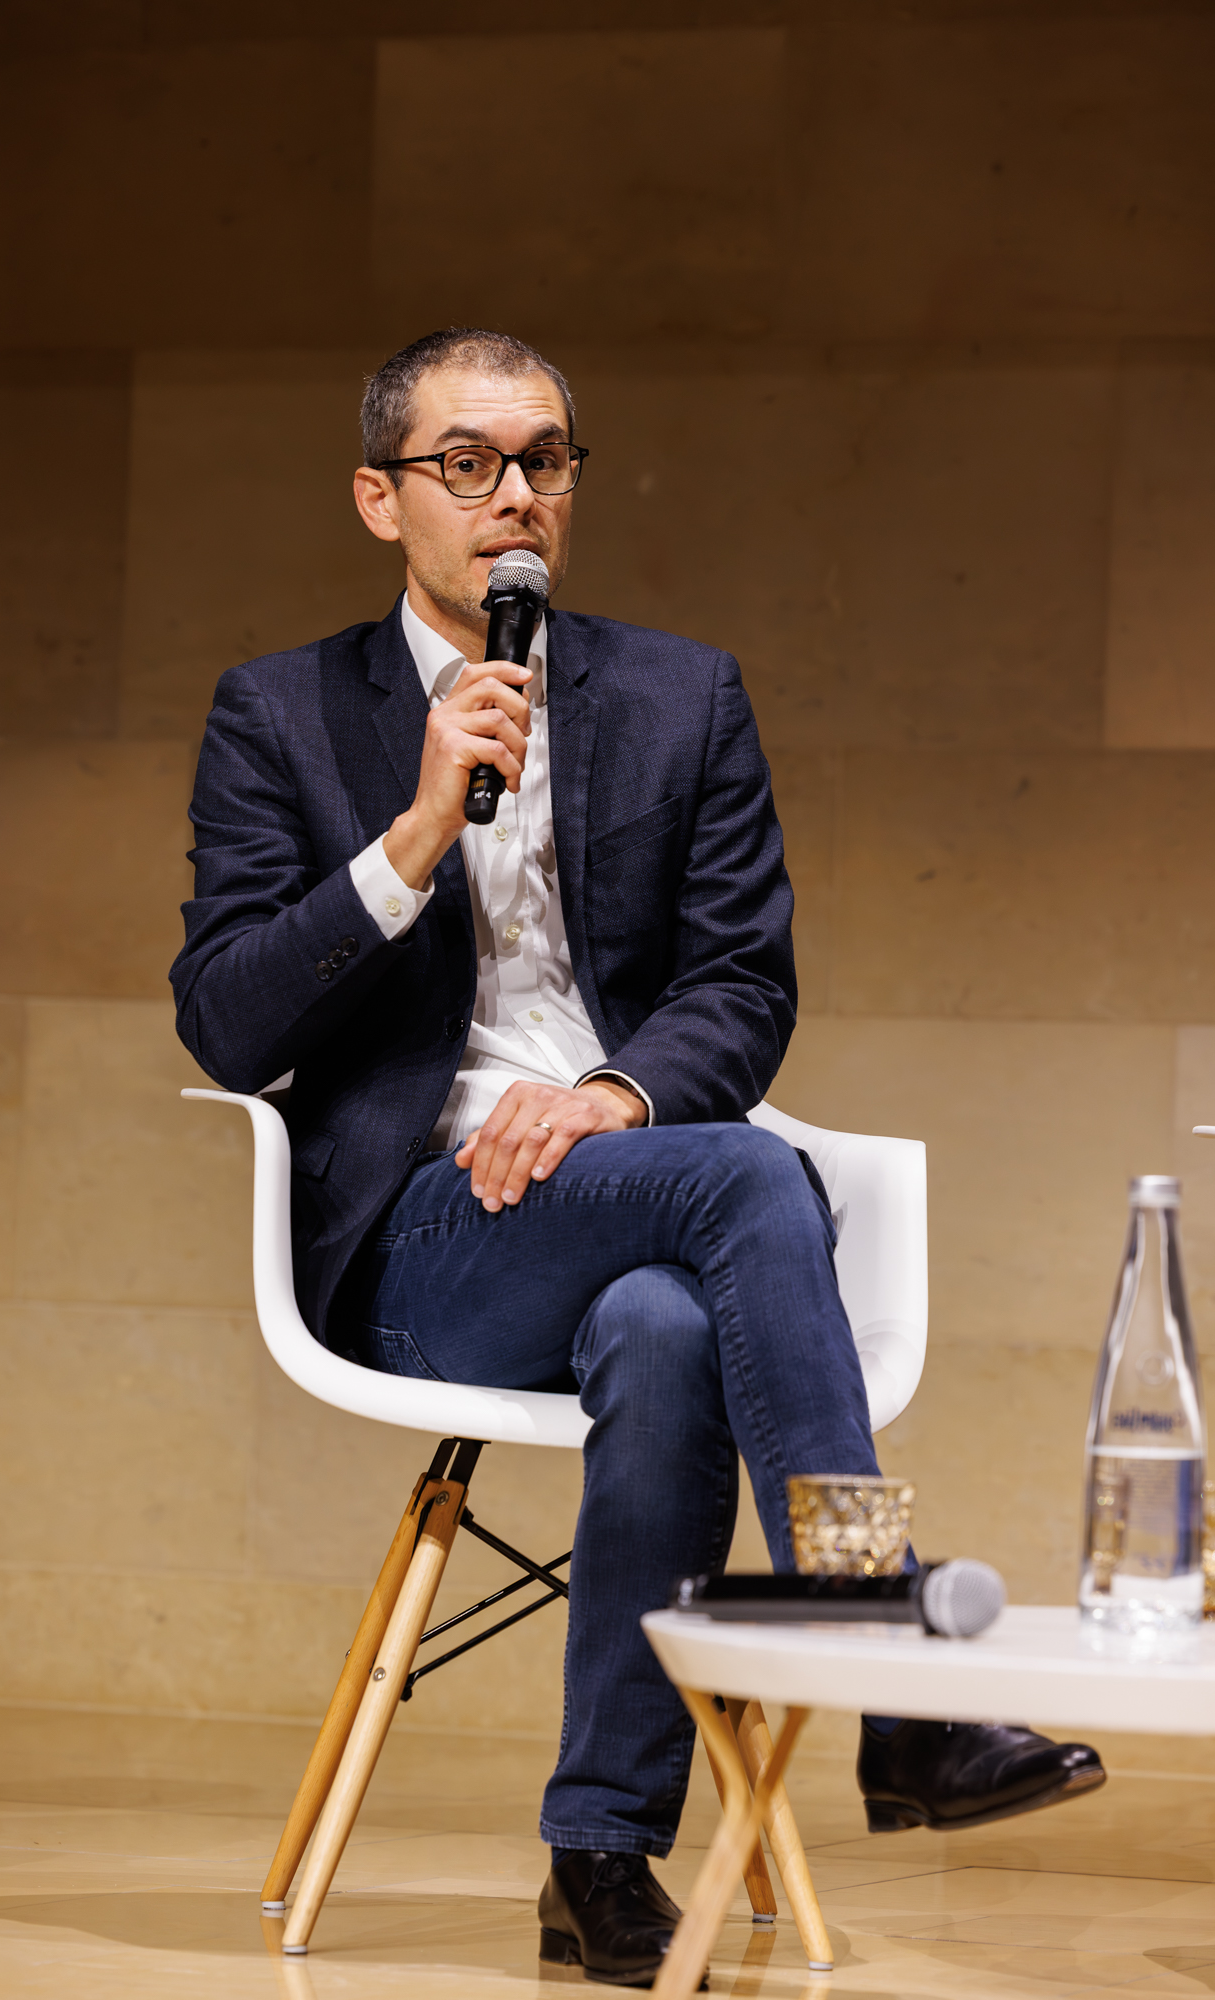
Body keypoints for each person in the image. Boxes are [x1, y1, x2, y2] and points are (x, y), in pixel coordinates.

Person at [171, 328, 1104, 1989]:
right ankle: (893, 1669)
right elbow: (225, 1025)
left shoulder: (681, 695)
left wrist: (611, 1091)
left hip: (627, 1195)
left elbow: (742, 984)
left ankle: (598, 1857)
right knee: (747, 1176)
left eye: (544, 460)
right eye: (467, 464)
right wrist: (409, 838)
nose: (514, 495)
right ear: (381, 499)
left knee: (669, 1331)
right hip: (421, 1245)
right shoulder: (280, 712)